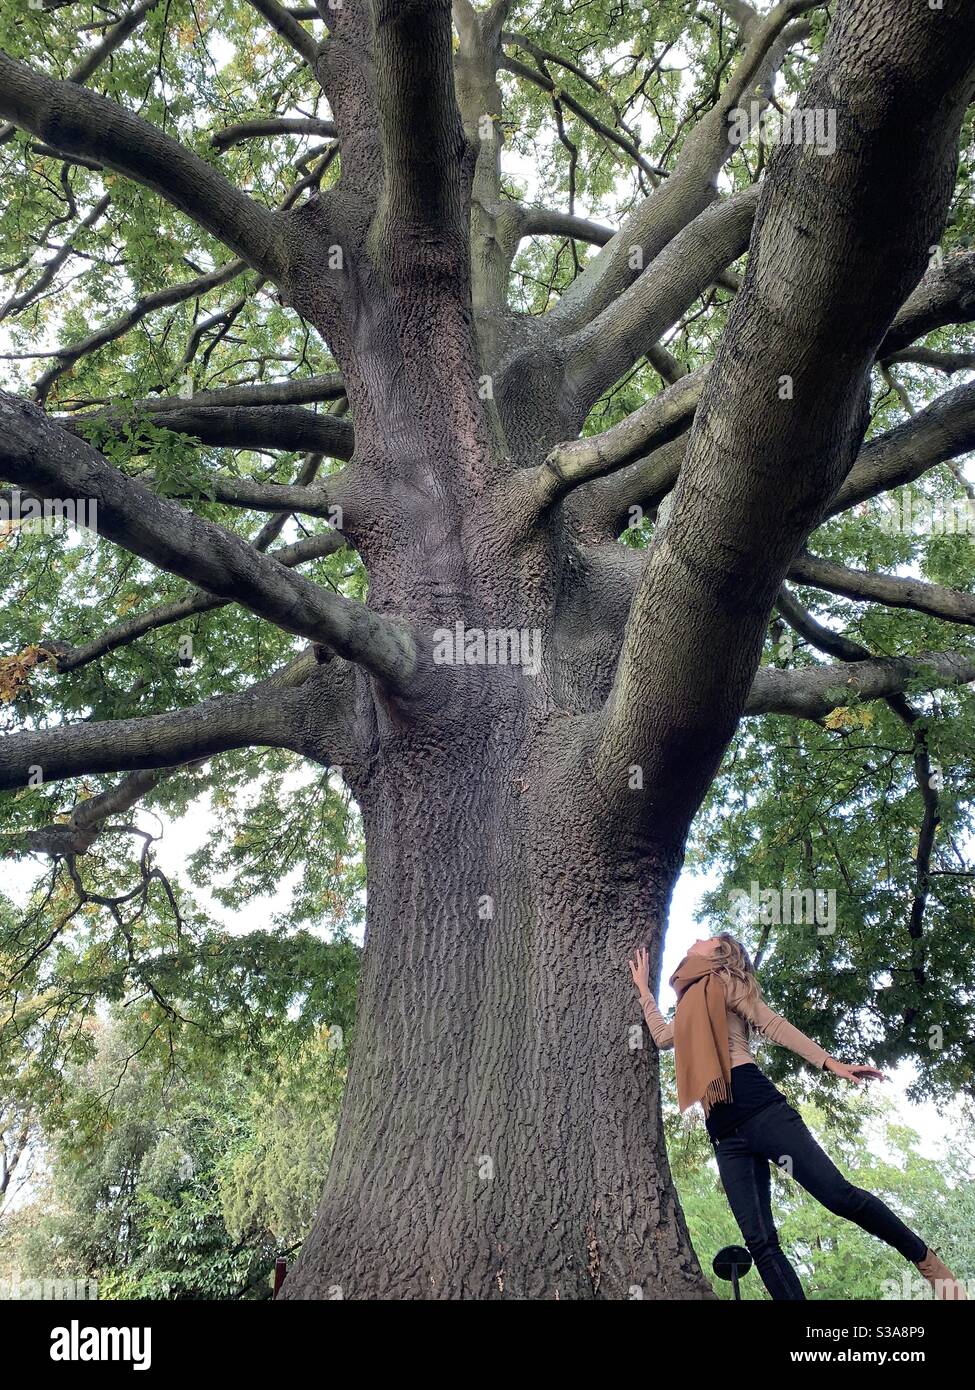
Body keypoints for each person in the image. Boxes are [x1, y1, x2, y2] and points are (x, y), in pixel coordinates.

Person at [629, 932, 967, 1301]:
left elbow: (772, 1024)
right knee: (760, 1242)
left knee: (840, 1197)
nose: (696, 938)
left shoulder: (726, 980)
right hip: (724, 1133)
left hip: (762, 1110)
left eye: (708, 938)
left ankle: (928, 1263)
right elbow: (663, 1038)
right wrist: (644, 991)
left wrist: (829, 1063)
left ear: (720, 953)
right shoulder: (689, 999)